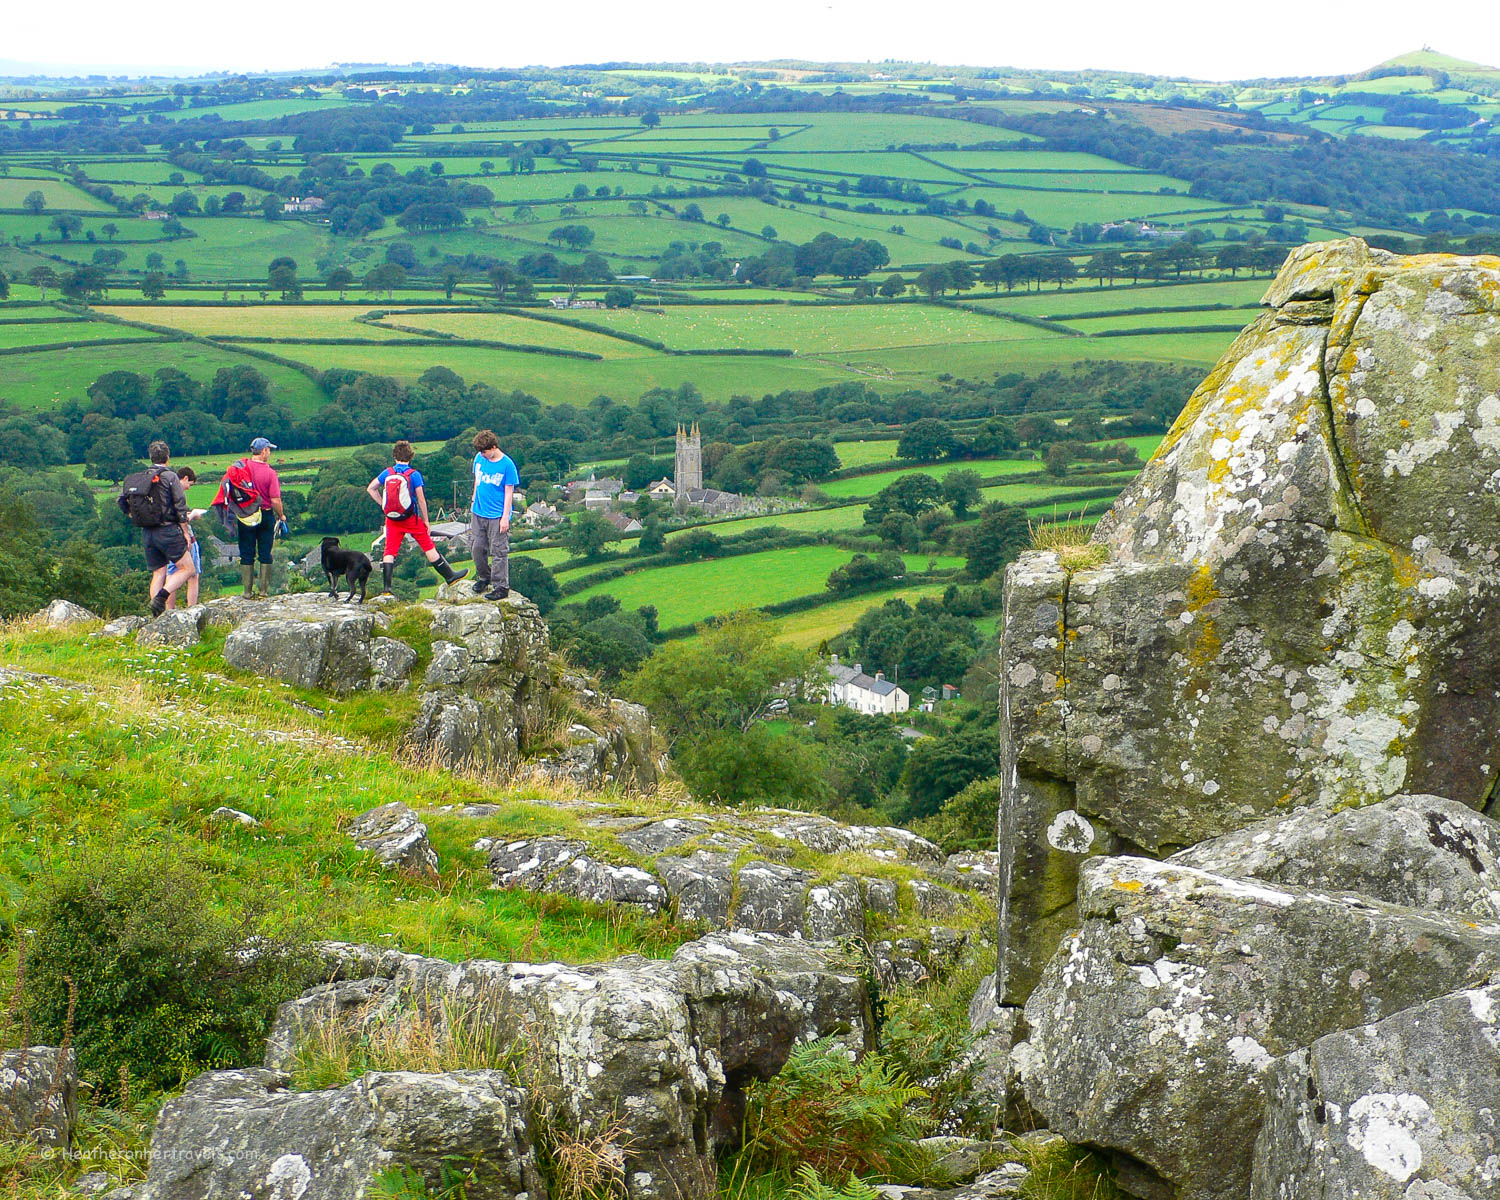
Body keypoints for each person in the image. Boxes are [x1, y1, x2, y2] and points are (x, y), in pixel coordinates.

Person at [366, 440, 468, 594]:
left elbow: (371, 489)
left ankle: (387, 588)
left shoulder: (387, 473)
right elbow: (421, 500)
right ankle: (450, 576)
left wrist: (383, 505)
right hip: (410, 518)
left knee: (389, 551)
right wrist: (426, 521)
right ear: (410, 456)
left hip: (392, 518)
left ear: (394, 456)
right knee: (427, 545)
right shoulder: (413, 474)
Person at [119, 441, 197, 616]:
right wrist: (185, 532)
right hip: (167, 530)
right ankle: (162, 597)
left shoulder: (141, 477)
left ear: (150, 457)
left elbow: (121, 501)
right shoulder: (170, 477)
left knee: (159, 572)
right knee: (188, 569)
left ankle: (157, 615)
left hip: (147, 531)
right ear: (167, 458)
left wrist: (133, 515)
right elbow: (180, 505)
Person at [225, 437, 287, 599]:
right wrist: (281, 515)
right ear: (264, 451)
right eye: (269, 450)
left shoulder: (241, 468)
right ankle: (263, 592)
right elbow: (275, 500)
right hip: (265, 514)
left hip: (245, 514)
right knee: (265, 553)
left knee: (246, 552)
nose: (270, 453)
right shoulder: (270, 473)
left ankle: (247, 592)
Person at [469, 429, 520, 600]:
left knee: (498, 551)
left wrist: (505, 517)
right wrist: (473, 499)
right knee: (477, 547)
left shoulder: (507, 465)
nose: (482, 455)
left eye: (484, 451)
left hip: (497, 515)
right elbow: (477, 480)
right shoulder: (479, 458)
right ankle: (484, 577)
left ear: (494, 447)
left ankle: (501, 586)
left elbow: (508, 492)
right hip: (478, 511)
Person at [164, 466, 207, 610]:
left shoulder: (165, 493)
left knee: (171, 574)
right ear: (185, 478)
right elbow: (181, 518)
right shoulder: (177, 494)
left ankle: (169, 611)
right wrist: (193, 515)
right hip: (185, 539)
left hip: (168, 539)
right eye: (190, 484)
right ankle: (192, 609)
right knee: (193, 575)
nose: (189, 488)